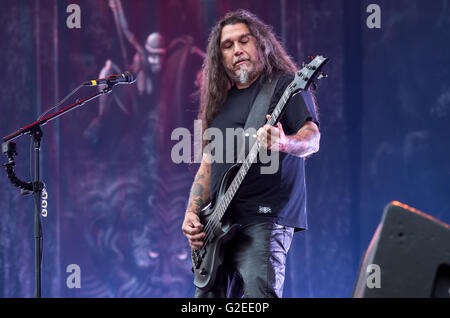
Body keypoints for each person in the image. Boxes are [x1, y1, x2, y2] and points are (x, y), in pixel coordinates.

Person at [181, 9, 321, 298]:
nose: (237, 50)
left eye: (244, 41)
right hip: (217, 227)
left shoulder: (285, 86)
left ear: (261, 44)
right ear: (220, 57)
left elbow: (312, 139)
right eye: (227, 45)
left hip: (264, 219)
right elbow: (208, 164)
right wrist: (192, 211)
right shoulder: (220, 102)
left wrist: (283, 143)